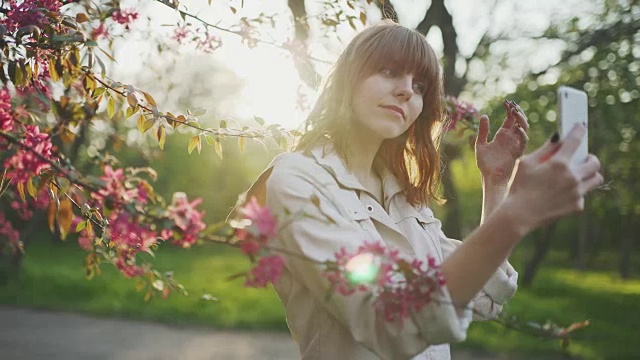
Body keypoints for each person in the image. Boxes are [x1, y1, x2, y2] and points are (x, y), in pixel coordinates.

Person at [232, 21, 603, 360]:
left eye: (420, 85)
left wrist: (497, 183)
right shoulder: (296, 179)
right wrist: (518, 213)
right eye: (389, 71)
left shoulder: (402, 195)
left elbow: (483, 297)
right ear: (349, 78)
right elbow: (388, 322)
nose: (406, 90)